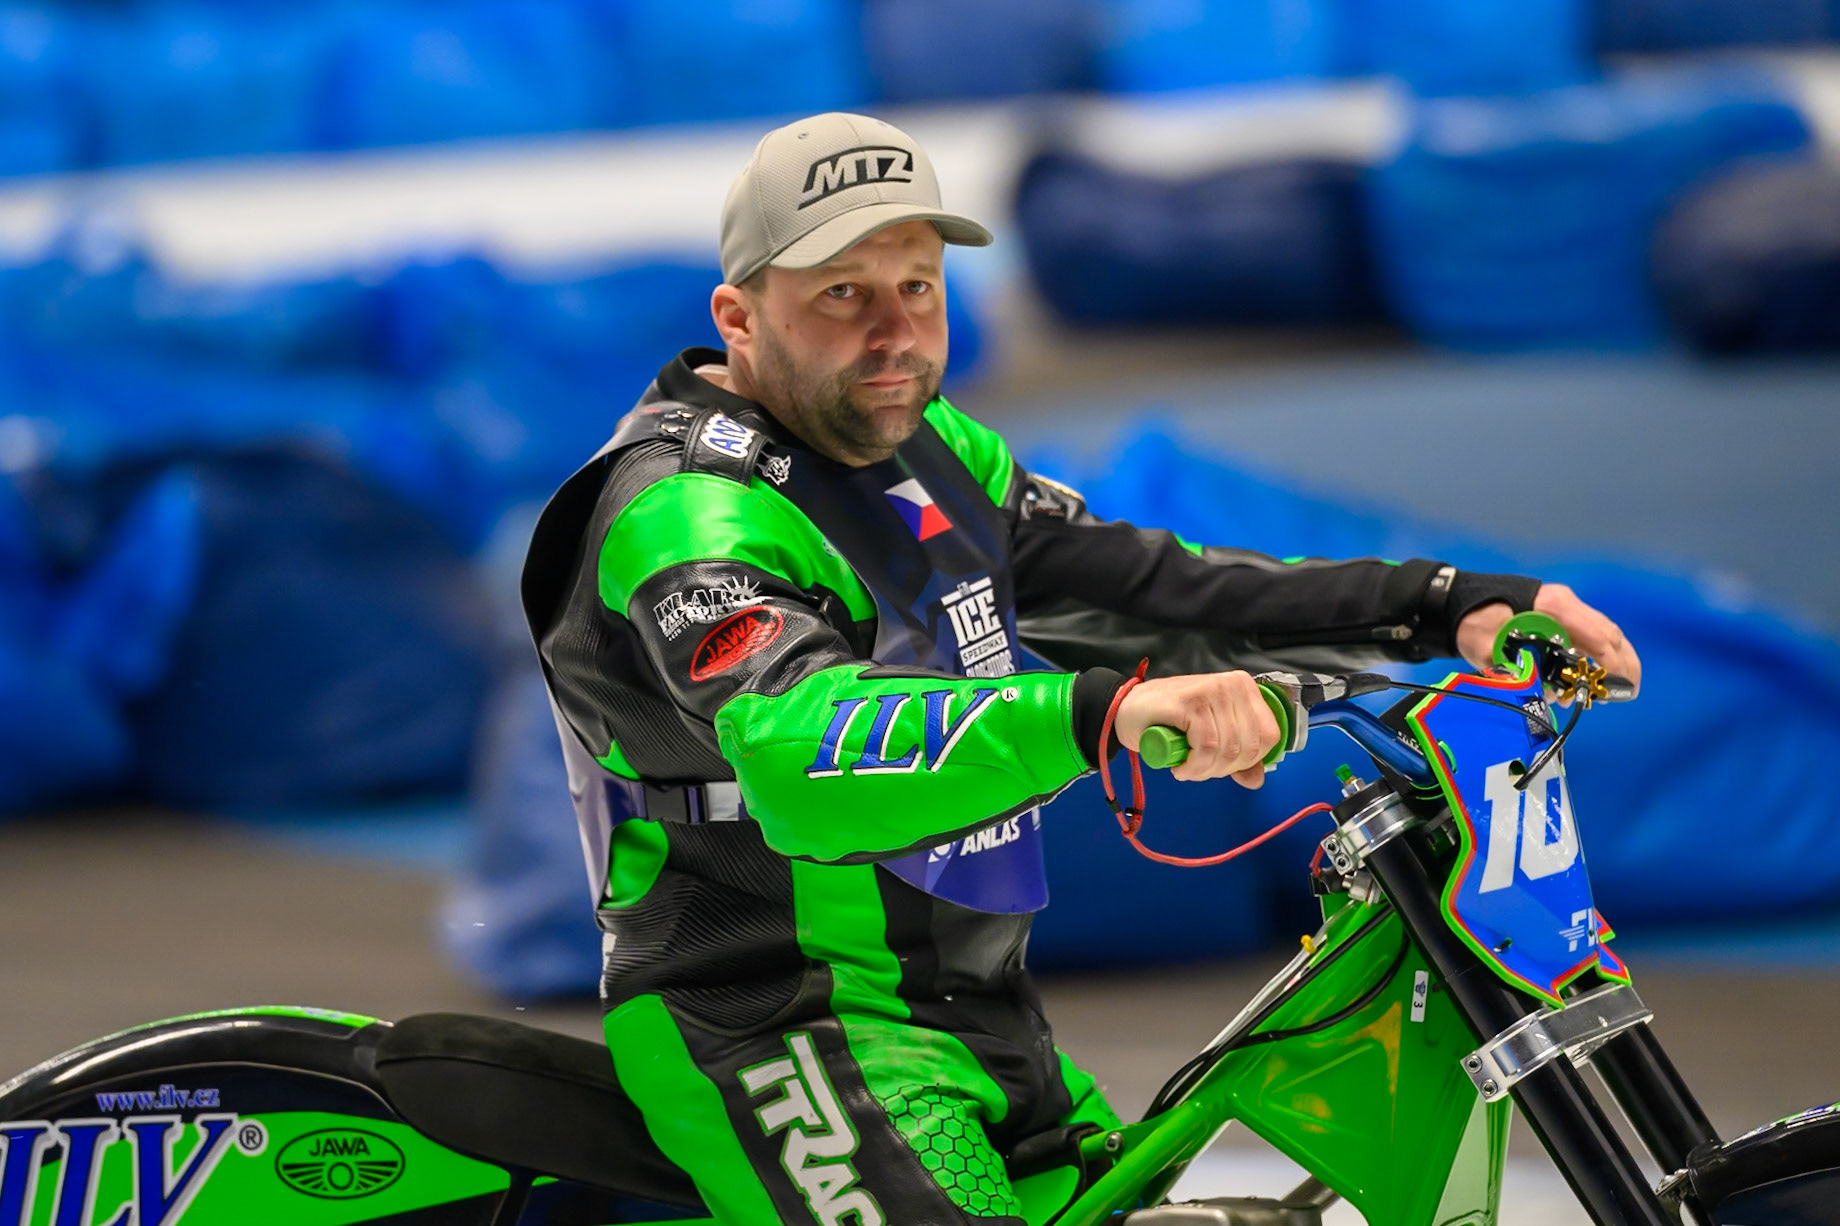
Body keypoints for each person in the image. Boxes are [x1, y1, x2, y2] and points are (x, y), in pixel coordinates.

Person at [521, 112, 1641, 1226]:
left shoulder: (929, 451)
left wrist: (1446, 605)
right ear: (739, 315)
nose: (895, 333)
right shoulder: (685, 513)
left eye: (918, 288)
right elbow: (794, 743)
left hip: (980, 1019)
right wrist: (1099, 711)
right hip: (779, 1024)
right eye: (841, 295)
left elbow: (1155, 592)